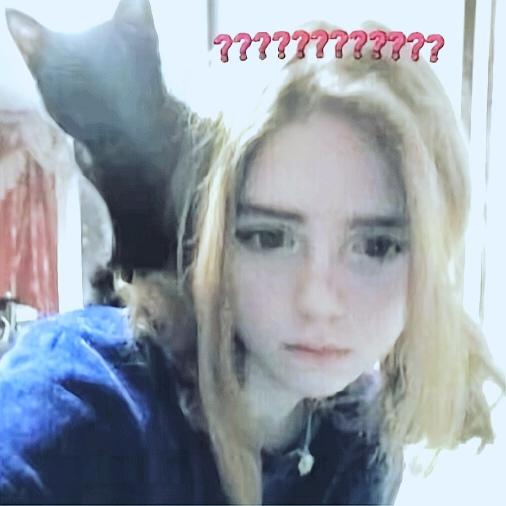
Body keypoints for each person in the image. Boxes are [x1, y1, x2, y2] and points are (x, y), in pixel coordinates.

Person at [0, 25, 504, 505]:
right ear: (214, 236)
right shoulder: (98, 396)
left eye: (375, 246)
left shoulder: (360, 441)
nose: (318, 300)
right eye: (269, 237)